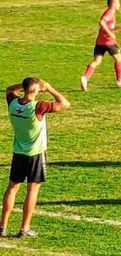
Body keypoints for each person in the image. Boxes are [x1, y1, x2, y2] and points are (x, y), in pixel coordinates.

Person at [2, 78, 70, 239]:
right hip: (36, 154)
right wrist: (50, 87)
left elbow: (9, 89)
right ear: (36, 91)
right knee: (32, 190)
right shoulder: (38, 107)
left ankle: (2, 226)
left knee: (12, 187)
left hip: (18, 152)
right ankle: (24, 228)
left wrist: (23, 85)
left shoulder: (13, 103)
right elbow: (65, 104)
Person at [80, 0, 121, 91]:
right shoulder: (109, 13)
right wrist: (110, 33)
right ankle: (119, 80)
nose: (120, 5)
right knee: (118, 58)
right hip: (108, 41)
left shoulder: (111, 13)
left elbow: (107, 26)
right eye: (118, 3)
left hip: (100, 41)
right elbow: (102, 22)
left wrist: (117, 28)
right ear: (114, 4)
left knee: (97, 61)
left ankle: (85, 78)